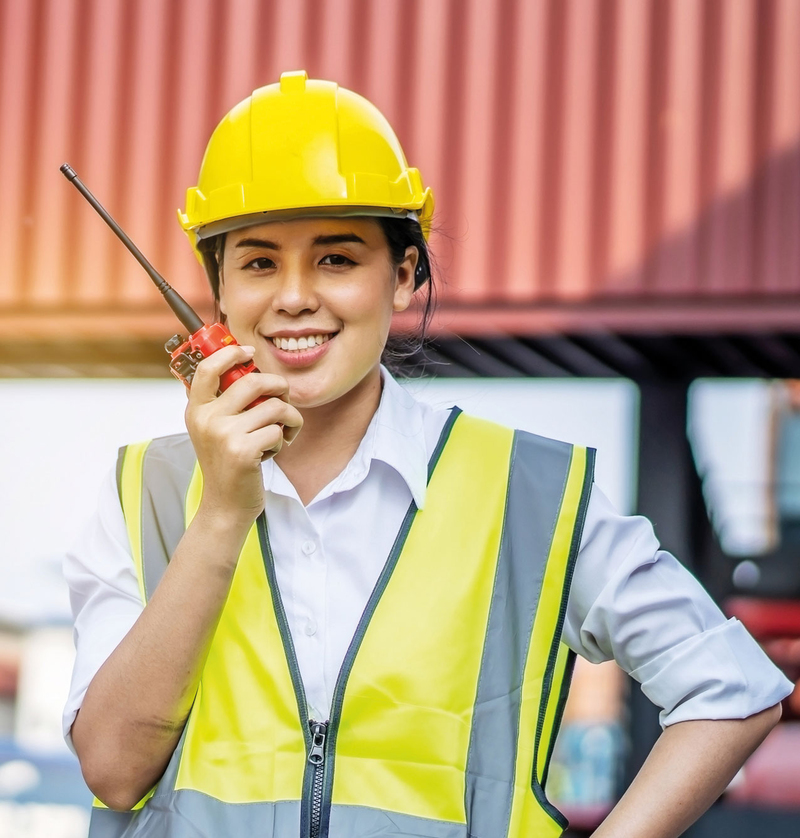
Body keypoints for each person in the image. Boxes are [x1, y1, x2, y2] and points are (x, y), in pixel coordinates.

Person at [64, 71, 792, 838]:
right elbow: (113, 773)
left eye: (337, 259)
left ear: (404, 274)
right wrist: (219, 515)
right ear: (216, 287)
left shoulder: (528, 496)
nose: (293, 297)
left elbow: (732, 690)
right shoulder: (143, 492)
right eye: (257, 262)